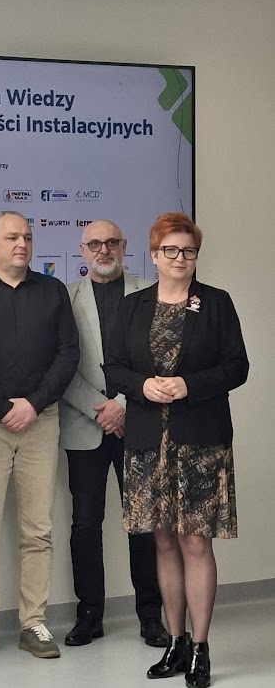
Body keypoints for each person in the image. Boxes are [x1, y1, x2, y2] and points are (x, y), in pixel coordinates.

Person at [106, 213, 249, 688]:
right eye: (170, 250)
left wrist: (189, 384)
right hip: (148, 442)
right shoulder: (133, 306)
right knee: (163, 540)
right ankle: (176, 641)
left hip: (201, 442)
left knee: (195, 542)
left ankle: (201, 648)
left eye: (188, 250)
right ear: (154, 255)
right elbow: (114, 368)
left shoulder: (216, 303)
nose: (180, 258)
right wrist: (143, 386)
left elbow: (237, 367)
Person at [0, 211, 80, 663]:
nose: (22, 244)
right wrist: (3, 407)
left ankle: (34, 622)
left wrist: (33, 403)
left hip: (41, 419)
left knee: (38, 529)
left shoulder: (53, 291)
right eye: (11, 237)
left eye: (27, 237)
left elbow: (68, 353)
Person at [60, 220, 167, 648]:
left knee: (142, 523)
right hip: (83, 426)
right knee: (85, 525)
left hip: (136, 422)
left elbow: (158, 356)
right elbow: (58, 363)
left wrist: (122, 404)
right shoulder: (65, 297)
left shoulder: (149, 293)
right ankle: (89, 615)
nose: (103, 250)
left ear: (123, 246)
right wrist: (100, 408)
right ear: (83, 250)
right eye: (95, 244)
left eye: (111, 243)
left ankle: (151, 616)